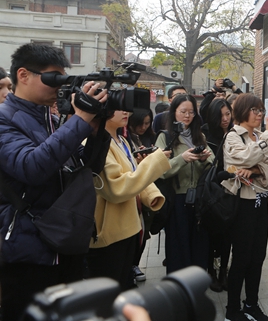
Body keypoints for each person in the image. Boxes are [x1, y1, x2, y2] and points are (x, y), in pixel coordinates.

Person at [0, 44, 110, 320]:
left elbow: (87, 166)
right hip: (27, 252)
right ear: (23, 75)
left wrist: (95, 128)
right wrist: (81, 119)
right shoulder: (4, 120)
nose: (58, 87)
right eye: (53, 78)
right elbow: (32, 167)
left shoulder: (51, 118)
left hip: (64, 242)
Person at [86, 110, 170, 290]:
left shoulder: (121, 140)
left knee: (123, 285)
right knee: (109, 293)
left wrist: (150, 195)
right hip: (109, 233)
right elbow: (116, 187)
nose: (126, 112)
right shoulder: (95, 142)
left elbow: (132, 172)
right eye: (118, 106)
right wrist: (155, 161)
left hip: (129, 228)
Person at [221, 93, 268, 321]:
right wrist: (259, 155)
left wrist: (256, 170)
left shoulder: (258, 136)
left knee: (258, 256)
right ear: (243, 111)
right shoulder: (232, 137)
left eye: (261, 110)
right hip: (241, 205)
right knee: (241, 258)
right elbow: (242, 161)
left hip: (261, 202)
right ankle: (232, 309)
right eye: (255, 110)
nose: (260, 114)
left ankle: (251, 304)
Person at [155, 94, 214, 274]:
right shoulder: (165, 137)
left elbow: (212, 161)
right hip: (177, 200)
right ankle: (178, 289)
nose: (187, 116)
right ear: (174, 113)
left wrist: (203, 159)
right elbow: (158, 169)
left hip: (199, 198)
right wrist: (182, 158)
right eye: (183, 112)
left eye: (191, 112)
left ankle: (196, 284)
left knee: (199, 245)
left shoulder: (200, 136)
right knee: (178, 247)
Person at [201, 98, 234, 292]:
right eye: (221, 115)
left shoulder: (234, 133)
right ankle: (211, 272)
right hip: (211, 191)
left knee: (227, 234)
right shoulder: (205, 133)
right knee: (211, 233)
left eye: (228, 114)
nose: (225, 119)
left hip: (230, 190)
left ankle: (223, 270)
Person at [126, 108, 158, 283]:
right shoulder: (124, 137)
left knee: (143, 232)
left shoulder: (148, 136)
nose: (144, 127)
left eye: (148, 123)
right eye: (141, 123)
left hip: (147, 190)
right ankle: (130, 266)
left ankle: (135, 264)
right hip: (132, 190)